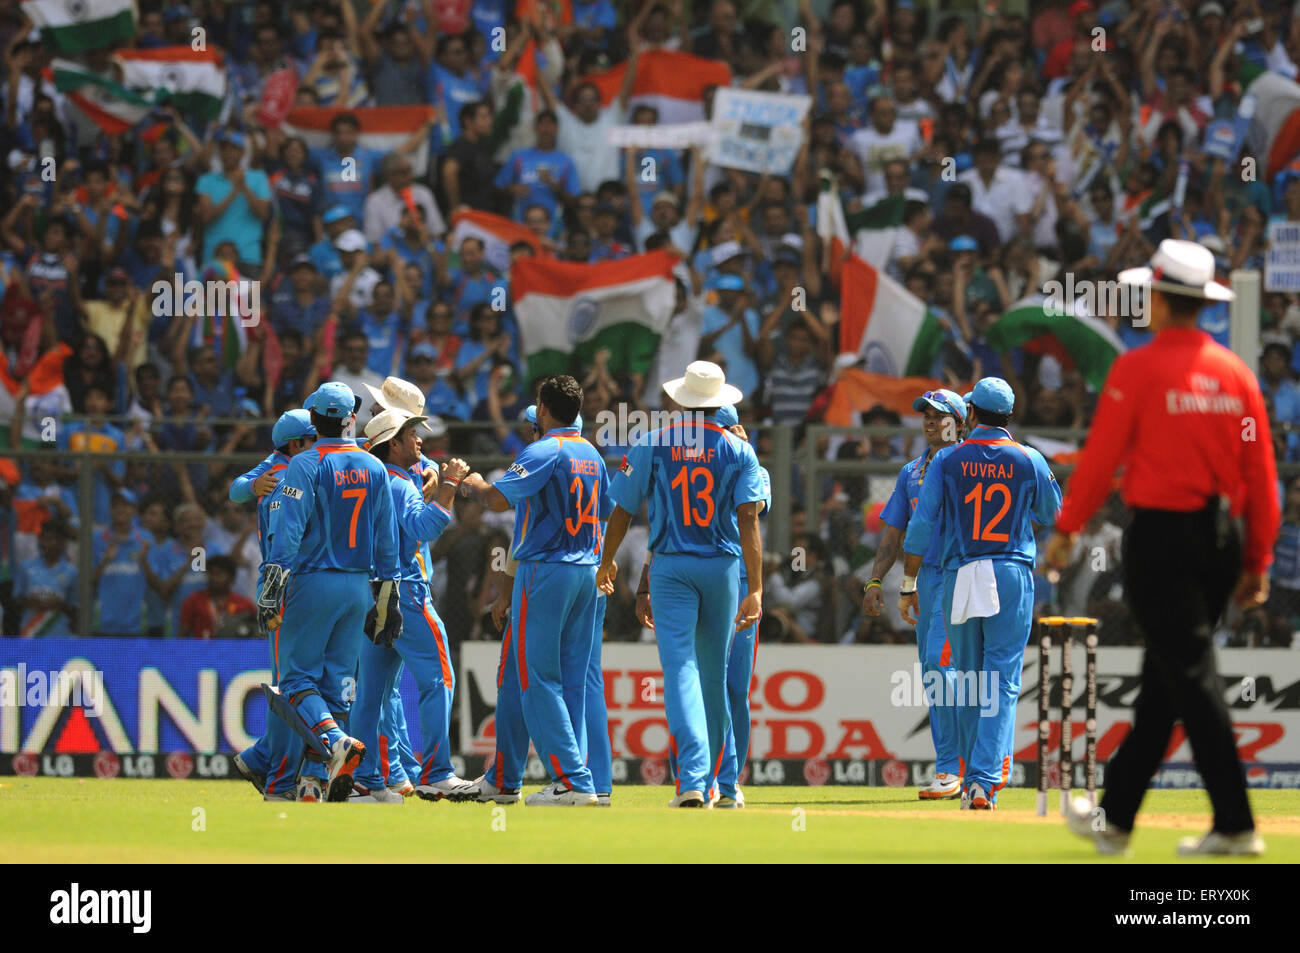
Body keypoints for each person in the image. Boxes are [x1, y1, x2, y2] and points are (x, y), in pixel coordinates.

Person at [1048, 239, 1278, 857]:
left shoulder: (1138, 369)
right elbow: (1262, 482)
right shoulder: (1237, 376)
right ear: (1202, 302)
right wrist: (1256, 560)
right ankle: (1114, 820)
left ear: (1157, 297)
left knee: (1192, 676)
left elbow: (1099, 462)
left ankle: (1235, 823)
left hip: (1159, 539)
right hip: (1218, 540)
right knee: (1166, 678)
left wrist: (1067, 529)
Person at [598, 361, 765, 807]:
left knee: (681, 672)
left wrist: (607, 560)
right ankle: (722, 784)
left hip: (672, 567)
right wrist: (757, 588)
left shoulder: (652, 442)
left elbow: (623, 510)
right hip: (725, 568)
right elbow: (749, 519)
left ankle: (693, 780)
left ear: (680, 401)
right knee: (716, 678)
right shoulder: (739, 450)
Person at [901, 377, 1061, 811]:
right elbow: (1051, 513)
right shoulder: (1029, 458)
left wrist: (908, 582)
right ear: (1008, 414)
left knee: (969, 680)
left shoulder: (948, 459)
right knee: (1002, 681)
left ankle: (973, 773)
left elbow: (920, 526)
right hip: (1010, 570)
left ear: (971, 415)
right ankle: (983, 782)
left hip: (960, 572)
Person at [461, 375, 609, 805]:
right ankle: (505, 779)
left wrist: (467, 482)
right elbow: (604, 516)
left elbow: (495, 501)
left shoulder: (545, 450)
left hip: (547, 572)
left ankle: (572, 781)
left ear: (543, 407)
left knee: (538, 679)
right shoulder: (592, 455)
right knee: (544, 679)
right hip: (584, 572)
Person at [260, 381, 401, 803]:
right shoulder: (375, 466)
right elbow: (387, 537)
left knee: (297, 680)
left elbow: (287, 533)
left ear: (314, 420)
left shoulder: (305, 463)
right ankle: (313, 782)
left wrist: (271, 590)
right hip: (359, 586)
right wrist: (387, 595)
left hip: (312, 581)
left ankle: (335, 742)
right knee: (339, 684)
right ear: (351, 420)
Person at [349, 407, 473, 803]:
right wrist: (450, 483)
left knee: (371, 695)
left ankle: (367, 782)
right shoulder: (401, 484)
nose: (419, 440)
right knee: (440, 680)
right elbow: (425, 527)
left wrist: (433, 475)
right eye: (411, 435)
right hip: (407, 593)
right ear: (393, 444)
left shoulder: (372, 477)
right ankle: (437, 773)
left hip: (372, 592)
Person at [863, 388, 966, 800]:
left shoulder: (969, 462)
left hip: (964, 574)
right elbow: (893, 531)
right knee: (934, 670)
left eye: (939, 415)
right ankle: (967, 767)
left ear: (960, 422)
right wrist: (874, 581)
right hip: (924, 580)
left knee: (946, 670)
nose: (928, 421)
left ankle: (955, 769)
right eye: (925, 415)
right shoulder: (912, 471)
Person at [229, 409, 317, 801]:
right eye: (313, 438)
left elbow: (237, 488)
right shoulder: (286, 472)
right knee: (289, 686)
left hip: (290, 581)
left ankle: (262, 756)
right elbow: (236, 489)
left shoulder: (280, 465)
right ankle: (279, 774)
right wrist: (250, 486)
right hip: (286, 581)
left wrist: (249, 486)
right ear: (296, 444)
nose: (321, 444)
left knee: (293, 681)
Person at [179, 554, 257, 639]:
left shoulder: (244, 604)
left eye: (219, 574)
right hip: (202, 651)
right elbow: (182, 634)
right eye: (211, 573)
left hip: (232, 651)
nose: (214, 578)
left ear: (232, 578)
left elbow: (259, 630)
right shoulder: (194, 600)